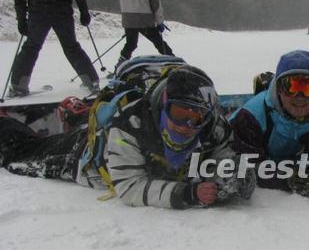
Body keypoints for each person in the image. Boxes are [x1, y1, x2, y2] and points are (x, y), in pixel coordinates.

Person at [0, 65, 254, 209]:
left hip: (114, 136)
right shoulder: (131, 125)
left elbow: (230, 157)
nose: (187, 125)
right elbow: (130, 186)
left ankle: (79, 114)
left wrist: (235, 179)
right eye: (179, 113)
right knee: (21, 153)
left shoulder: (213, 127)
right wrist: (186, 194)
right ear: (162, 106)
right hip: (87, 159)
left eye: (196, 117)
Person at [230, 50, 309, 197]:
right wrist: (289, 178)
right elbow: (246, 166)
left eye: (308, 87)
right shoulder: (251, 116)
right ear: (278, 89)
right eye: (291, 87)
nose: (300, 97)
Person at [116, 0, 173, 71]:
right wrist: (160, 21)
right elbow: (156, 5)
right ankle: (172, 62)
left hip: (128, 20)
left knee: (131, 44)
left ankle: (120, 66)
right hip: (145, 20)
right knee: (158, 42)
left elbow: (121, 1)